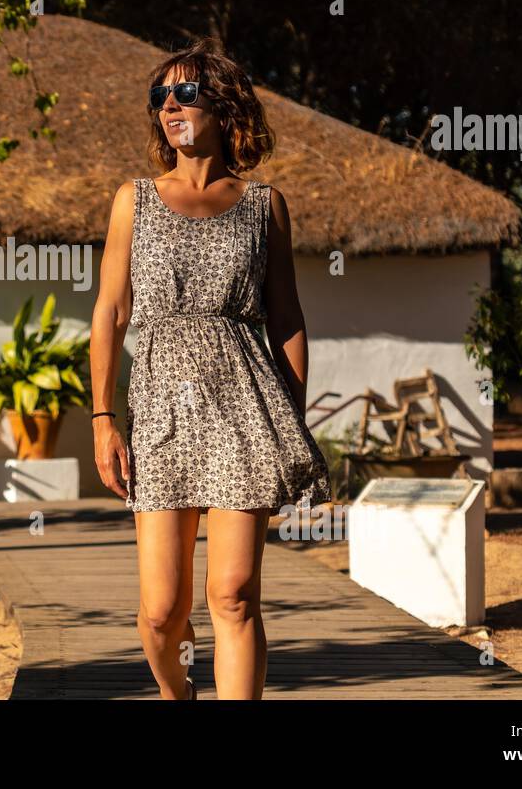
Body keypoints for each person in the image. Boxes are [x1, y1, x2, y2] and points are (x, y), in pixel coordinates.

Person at [88, 36, 332, 700]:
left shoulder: (263, 206)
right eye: (159, 96)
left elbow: (287, 320)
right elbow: (111, 314)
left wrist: (293, 421)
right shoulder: (132, 201)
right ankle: (176, 693)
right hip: (160, 411)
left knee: (233, 594)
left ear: (223, 108)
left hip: (245, 410)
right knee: (163, 610)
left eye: (185, 92)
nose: (169, 105)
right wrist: (104, 419)